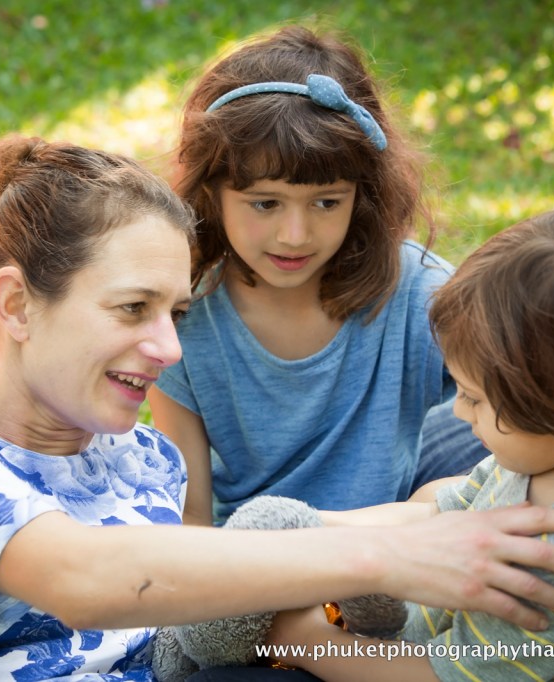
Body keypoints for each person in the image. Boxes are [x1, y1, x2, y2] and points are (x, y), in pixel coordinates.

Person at [0, 136, 554, 681]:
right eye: (132, 310)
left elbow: (219, 587)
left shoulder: (140, 457)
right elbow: (80, 577)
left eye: (177, 314)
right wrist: (390, 558)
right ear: (17, 306)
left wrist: (443, 521)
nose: (168, 350)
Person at [261, 202, 554, 682]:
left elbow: (442, 676)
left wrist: (306, 640)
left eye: (475, 398)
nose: (458, 411)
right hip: (413, 628)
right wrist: (310, 531)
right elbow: (441, 507)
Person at [147, 25, 457, 526]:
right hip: (253, 574)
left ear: (363, 195)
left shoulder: (420, 295)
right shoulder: (180, 315)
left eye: (327, 202)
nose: (295, 235)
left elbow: (531, 428)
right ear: (212, 193)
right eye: (265, 203)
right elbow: (192, 522)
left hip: (390, 560)